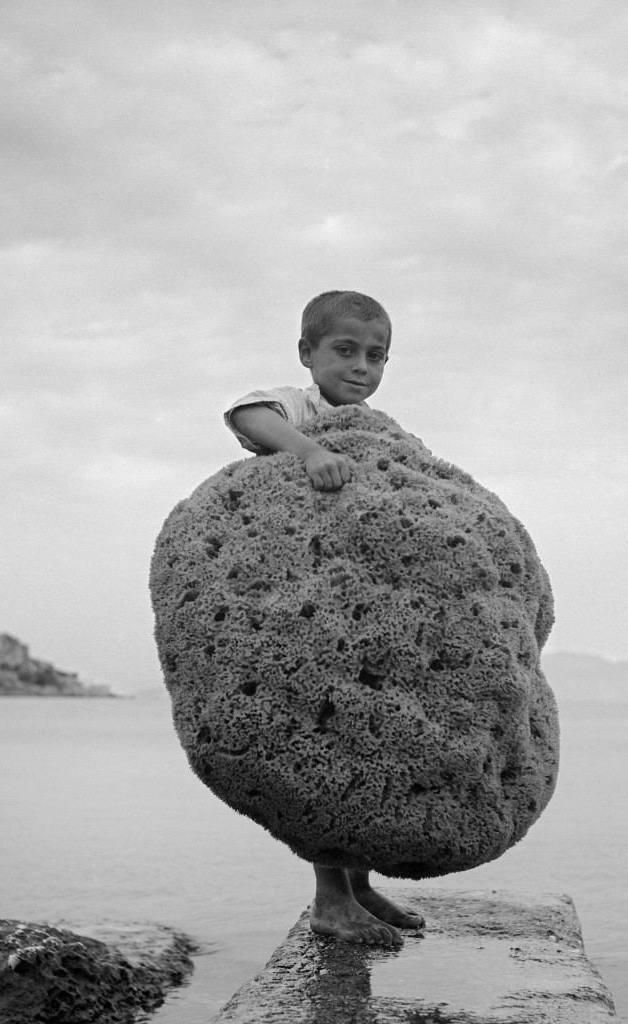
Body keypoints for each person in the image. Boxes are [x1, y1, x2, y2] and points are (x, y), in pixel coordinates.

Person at [224, 290, 425, 946]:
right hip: (297, 607)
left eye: (378, 356)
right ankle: (329, 901)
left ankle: (360, 888)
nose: (362, 367)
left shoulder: (374, 426)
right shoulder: (300, 407)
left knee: (367, 753)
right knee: (328, 753)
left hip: (357, 608)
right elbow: (247, 414)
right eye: (345, 351)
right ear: (308, 354)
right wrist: (309, 452)